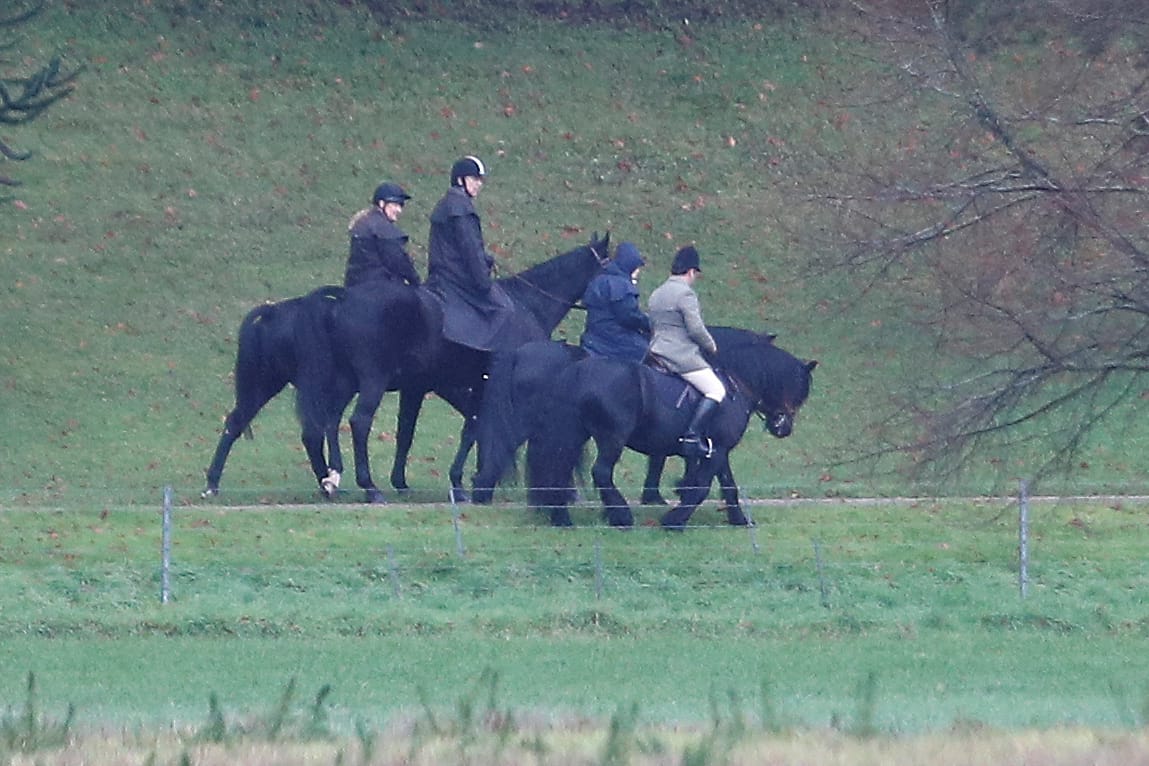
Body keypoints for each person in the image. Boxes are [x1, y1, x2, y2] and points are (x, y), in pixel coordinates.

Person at [425, 155, 516, 351]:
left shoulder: (447, 204)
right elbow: (470, 249)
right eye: (474, 179)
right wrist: (483, 281)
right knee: (504, 308)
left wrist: (487, 259)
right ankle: (478, 351)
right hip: (457, 278)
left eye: (479, 180)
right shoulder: (461, 209)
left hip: (442, 274)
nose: (478, 185)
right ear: (460, 180)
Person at [646, 245, 726, 458]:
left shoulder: (657, 293)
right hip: (679, 356)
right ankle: (691, 437)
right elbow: (695, 329)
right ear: (691, 271)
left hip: (655, 352)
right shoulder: (685, 294)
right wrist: (712, 346)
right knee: (717, 390)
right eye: (695, 275)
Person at [579, 241, 651, 363]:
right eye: (637, 268)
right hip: (615, 341)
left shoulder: (599, 280)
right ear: (630, 265)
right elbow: (629, 317)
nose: (638, 272)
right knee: (649, 353)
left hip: (592, 338)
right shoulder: (621, 286)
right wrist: (650, 323)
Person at [344, 182, 421, 288]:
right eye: (395, 204)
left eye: (401, 205)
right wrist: (416, 282)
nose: (399, 210)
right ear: (381, 203)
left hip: (354, 285)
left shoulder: (363, 223)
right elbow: (400, 263)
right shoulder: (382, 229)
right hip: (378, 288)